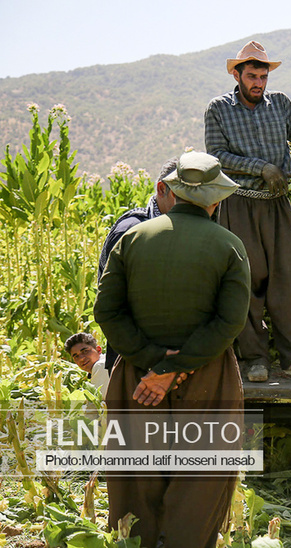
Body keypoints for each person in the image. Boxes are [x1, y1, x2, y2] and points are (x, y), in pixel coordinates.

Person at [95, 151, 251, 548]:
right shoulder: (229, 246)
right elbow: (229, 323)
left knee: (136, 475)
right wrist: (177, 369)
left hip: (136, 378)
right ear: (215, 200)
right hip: (207, 378)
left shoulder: (131, 238)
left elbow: (107, 311)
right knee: (201, 478)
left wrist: (152, 366)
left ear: (174, 192)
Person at [204, 40, 291, 382]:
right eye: (251, 76)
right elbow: (217, 155)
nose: (258, 83)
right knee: (247, 283)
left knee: (286, 281)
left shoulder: (280, 104)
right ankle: (255, 359)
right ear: (237, 74)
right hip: (239, 204)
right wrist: (261, 167)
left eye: (262, 76)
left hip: (276, 204)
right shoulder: (218, 108)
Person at [97, 157, 178, 371]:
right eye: (183, 195)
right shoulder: (130, 231)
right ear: (162, 190)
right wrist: (150, 358)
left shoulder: (191, 229)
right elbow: (112, 309)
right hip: (135, 362)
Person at [64, 332, 109, 396]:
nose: (81, 358)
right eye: (76, 356)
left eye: (85, 351)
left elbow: (97, 403)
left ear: (98, 350)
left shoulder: (101, 365)